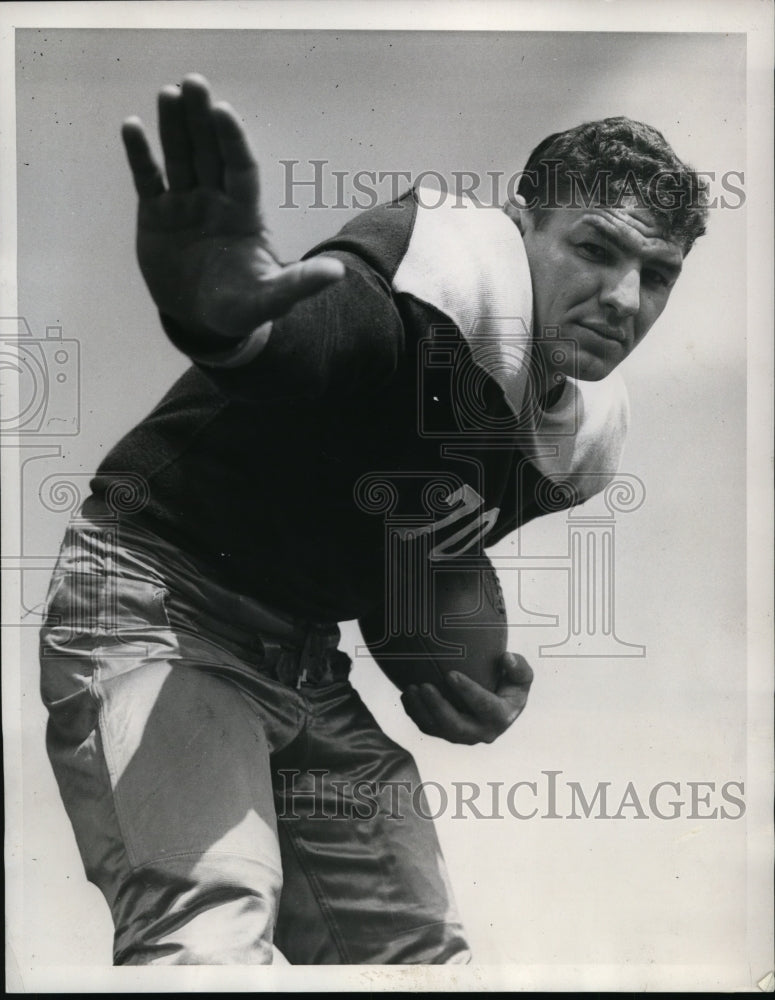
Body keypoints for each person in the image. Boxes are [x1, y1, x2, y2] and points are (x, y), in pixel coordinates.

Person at [38, 74, 708, 965]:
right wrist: (229, 324)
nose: (625, 300)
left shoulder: (575, 439)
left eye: (655, 275)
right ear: (522, 226)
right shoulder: (441, 270)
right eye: (595, 249)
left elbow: (400, 550)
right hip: (160, 604)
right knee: (206, 928)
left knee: (414, 954)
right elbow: (324, 340)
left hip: (305, 656)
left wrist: (446, 671)